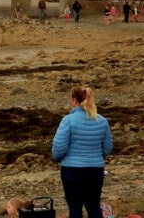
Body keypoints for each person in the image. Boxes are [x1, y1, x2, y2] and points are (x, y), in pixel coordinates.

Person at [51, 86, 113, 218]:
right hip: (95, 169)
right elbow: (108, 146)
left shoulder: (68, 120)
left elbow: (58, 147)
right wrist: (95, 156)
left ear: (74, 100)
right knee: (94, 207)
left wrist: (58, 158)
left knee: (75, 208)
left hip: (72, 169)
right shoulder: (101, 121)